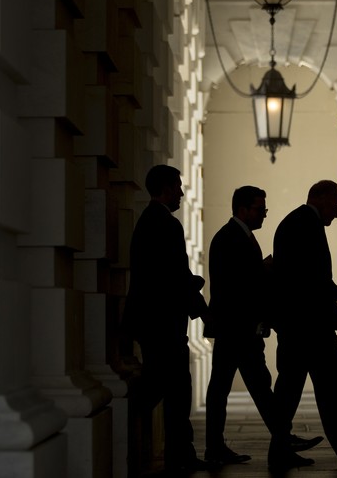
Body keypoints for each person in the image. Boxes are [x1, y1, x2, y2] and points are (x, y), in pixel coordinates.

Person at [203, 186, 322, 470]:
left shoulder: (236, 237)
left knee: (245, 387)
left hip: (236, 329)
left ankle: (227, 446)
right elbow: (237, 286)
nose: (264, 215)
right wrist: (263, 271)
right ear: (242, 209)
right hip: (238, 329)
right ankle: (281, 438)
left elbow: (241, 281)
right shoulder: (230, 238)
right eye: (260, 209)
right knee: (248, 387)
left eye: (264, 209)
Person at [271, 180, 337, 467]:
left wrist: (333, 291)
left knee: (292, 391)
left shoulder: (296, 222)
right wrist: (329, 293)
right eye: (335, 205)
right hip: (310, 327)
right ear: (321, 198)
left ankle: (281, 450)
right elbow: (307, 275)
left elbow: (303, 272)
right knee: (332, 389)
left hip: (298, 326)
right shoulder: (306, 224)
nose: (335, 213)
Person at [123, 165, 209, 474]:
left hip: (151, 321)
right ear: (166, 188)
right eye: (178, 187)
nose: (182, 194)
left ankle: (178, 453)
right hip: (163, 323)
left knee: (172, 387)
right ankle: (177, 454)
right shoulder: (167, 225)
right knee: (174, 389)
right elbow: (175, 276)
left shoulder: (147, 221)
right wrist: (203, 309)